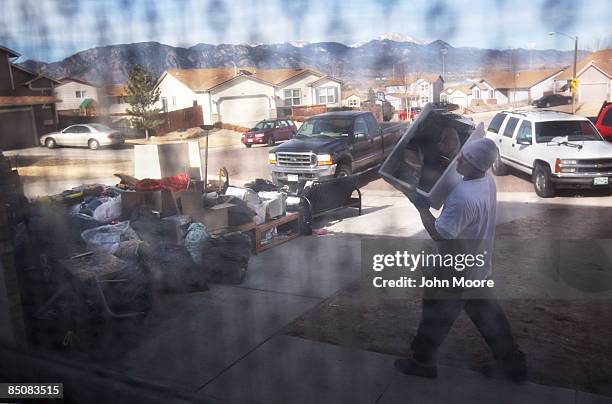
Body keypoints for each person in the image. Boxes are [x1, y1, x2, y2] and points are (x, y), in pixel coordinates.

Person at [395, 137, 527, 382]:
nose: (458, 159)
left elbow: (438, 234)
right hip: (477, 264)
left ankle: (422, 362)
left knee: (435, 313)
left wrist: (419, 205)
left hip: (454, 271)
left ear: (476, 165)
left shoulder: (463, 198)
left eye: (464, 158)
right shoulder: (486, 179)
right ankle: (512, 364)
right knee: (489, 316)